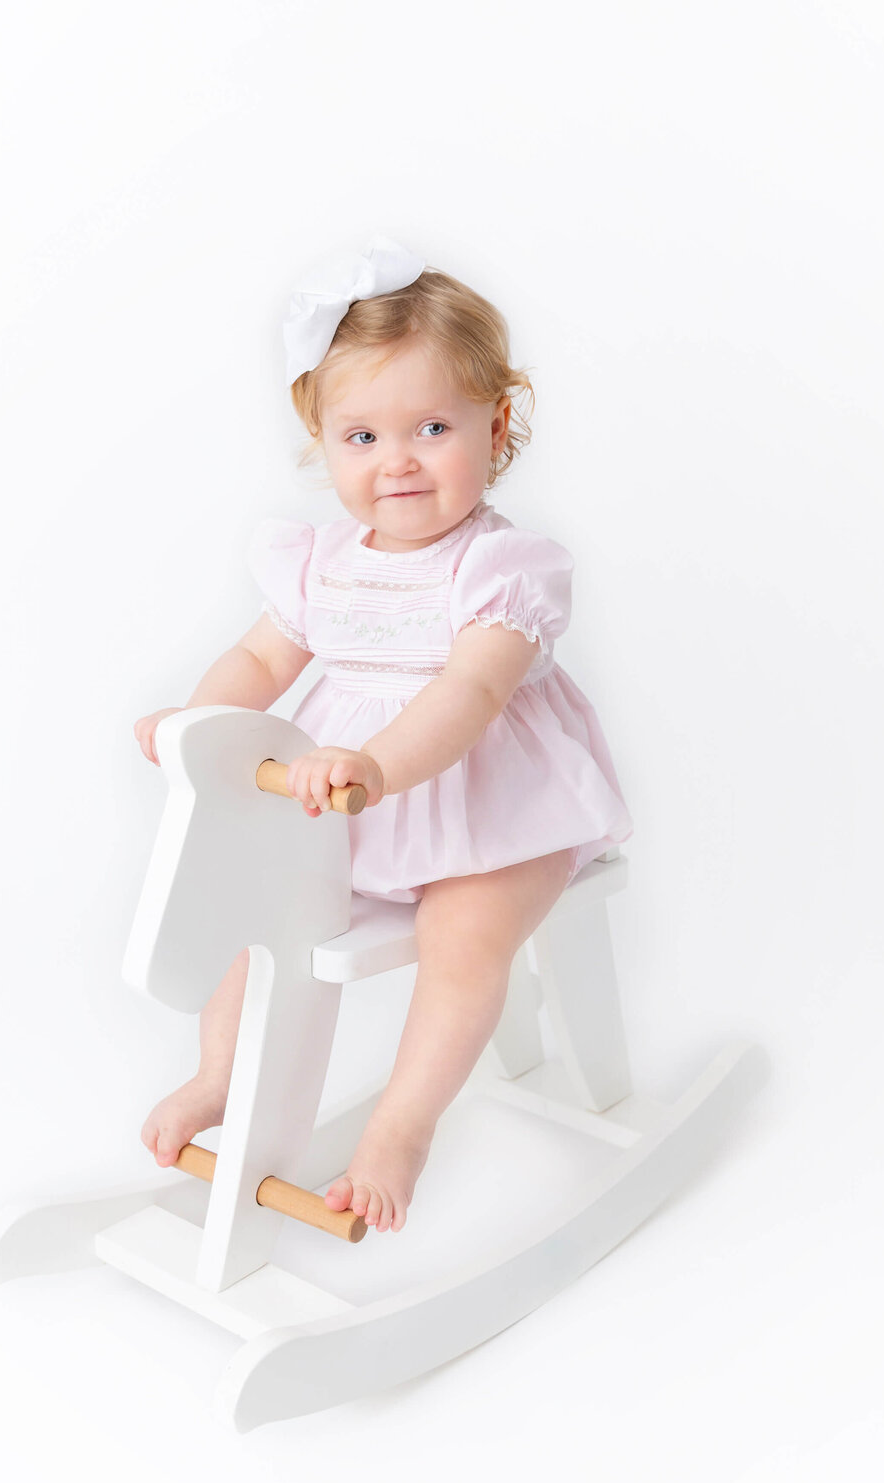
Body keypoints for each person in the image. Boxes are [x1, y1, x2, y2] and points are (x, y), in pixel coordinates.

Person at [134, 235, 633, 1233]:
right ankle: (221, 1074)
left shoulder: (500, 571)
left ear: (498, 429)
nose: (396, 461)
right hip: (342, 808)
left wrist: (374, 763)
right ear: (322, 441)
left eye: (433, 427)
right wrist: (203, 727)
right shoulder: (320, 562)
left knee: (465, 933)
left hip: (496, 812)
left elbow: (467, 697)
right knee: (248, 902)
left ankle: (403, 1124)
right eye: (362, 437)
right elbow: (259, 664)